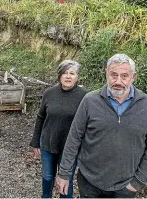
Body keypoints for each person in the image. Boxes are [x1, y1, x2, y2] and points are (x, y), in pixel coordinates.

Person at [56, 53, 147, 198]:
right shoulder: (90, 101)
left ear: (133, 77)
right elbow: (74, 138)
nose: (118, 81)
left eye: (124, 76)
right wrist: (64, 173)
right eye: (114, 75)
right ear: (106, 73)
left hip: (126, 187)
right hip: (89, 183)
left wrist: (139, 181)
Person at [30, 60, 87, 198]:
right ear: (59, 76)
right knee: (48, 177)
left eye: (72, 73)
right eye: (65, 73)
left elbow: (87, 124)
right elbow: (41, 117)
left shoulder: (85, 97)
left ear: (77, 76)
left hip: (70, 148)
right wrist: (35, 141)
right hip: (48, 143)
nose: (68, 76)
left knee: (65, 180)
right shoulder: (49, 93)